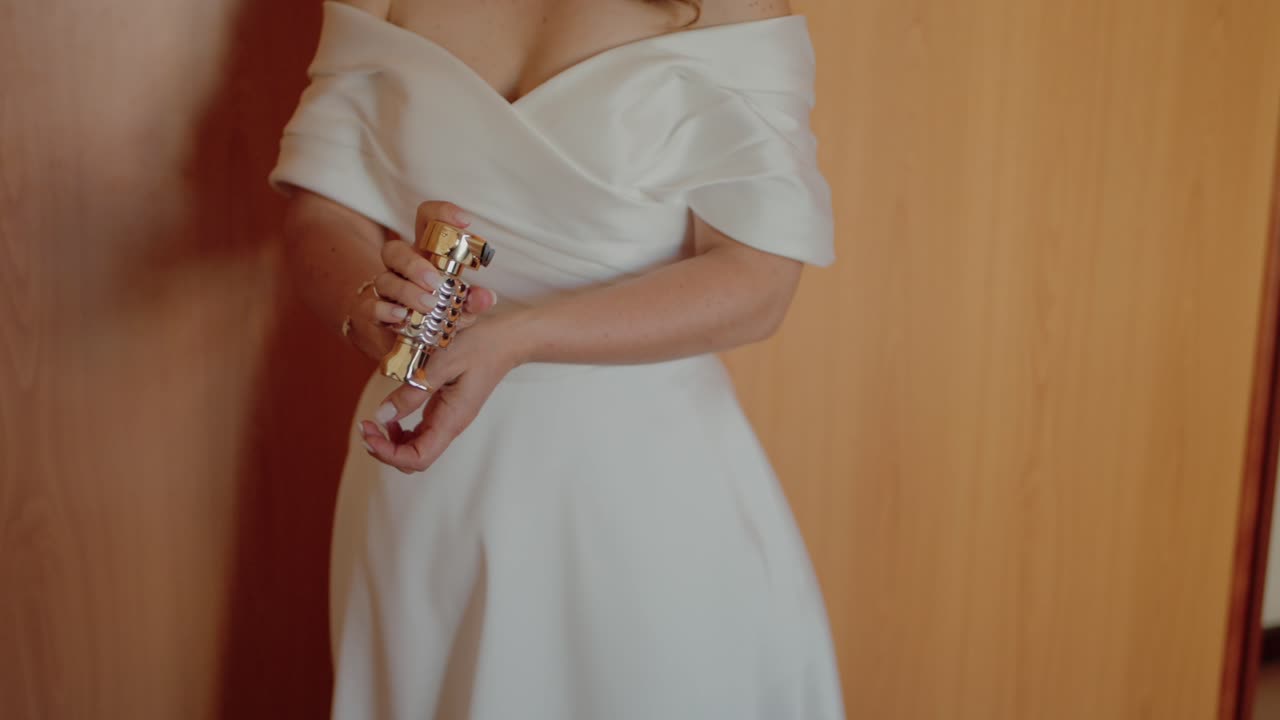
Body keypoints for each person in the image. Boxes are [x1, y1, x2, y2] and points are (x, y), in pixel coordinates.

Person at [270, 0, 844, 717]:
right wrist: (371, 306)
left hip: (640, 491)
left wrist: (519, 336)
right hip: (427, 477)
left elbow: (761, 283)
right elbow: (322, 211)